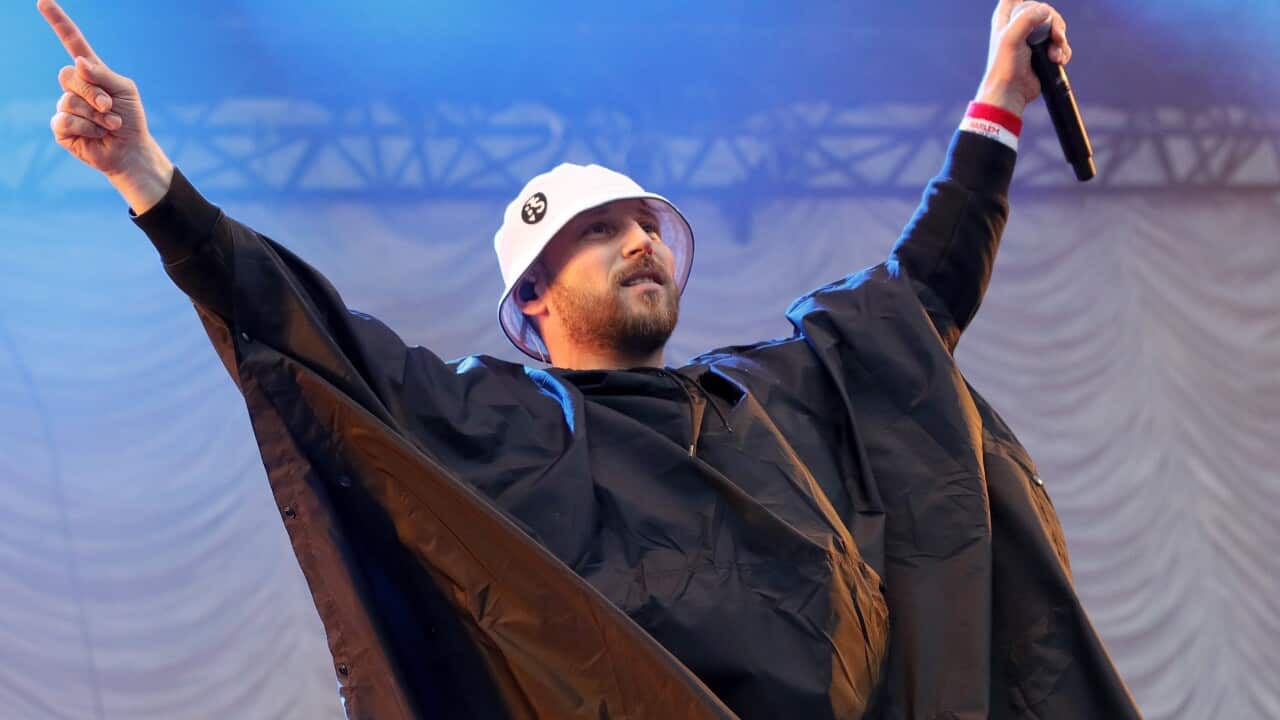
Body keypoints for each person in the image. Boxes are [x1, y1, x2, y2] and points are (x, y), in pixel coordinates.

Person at [38, 0, 1145, 718]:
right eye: (592, 232)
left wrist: (997, 92)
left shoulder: (779, 393)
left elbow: (916, 297)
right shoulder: (495, 424)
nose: (634, 239)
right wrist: (145, 173)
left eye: (644, 224)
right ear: (529, 298)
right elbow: (301, 334)